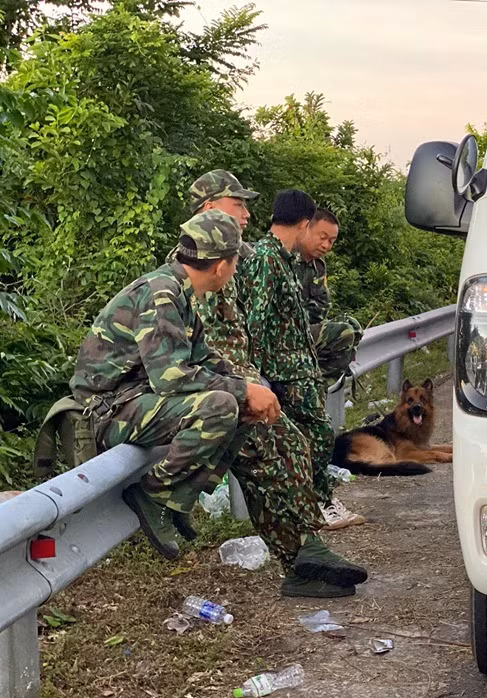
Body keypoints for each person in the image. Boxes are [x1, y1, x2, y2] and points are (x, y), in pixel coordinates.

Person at [172, 170, 367, 596]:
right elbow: (208, 345)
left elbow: (238, 332)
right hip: (214, 389)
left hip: (235, 381)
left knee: (289, 447)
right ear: (209, 209)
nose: (247, 213)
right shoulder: (196, 263)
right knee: (277, 450)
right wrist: (251, 385)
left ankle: (304, 555)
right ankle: (304, 556)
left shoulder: (237, 256)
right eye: (238, 204)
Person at [70, 209, 279, 560]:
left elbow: (203, 359)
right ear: (219, 266)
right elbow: (171, 377)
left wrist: (249, 385)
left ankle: (181, 499)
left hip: (138, 401)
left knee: (242, 400)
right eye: (235, 262)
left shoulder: (179, 293)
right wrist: (241, 391)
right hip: (107, 411)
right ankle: (152, 493)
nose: (235, 270)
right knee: (223, 404)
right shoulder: (161, 294)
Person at [237, 190, 363, 529]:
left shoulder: (282, 257)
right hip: (285, 371)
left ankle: (311, 508)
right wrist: (258, 378)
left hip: (296, 368)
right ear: (305, 223)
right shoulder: (267, 258)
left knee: (309, 438)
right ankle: (321, 505)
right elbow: (256, 322)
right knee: (320, 433)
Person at [294, 209, 364, 390]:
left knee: (352, 326)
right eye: (322, 237)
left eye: (331, 241)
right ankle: (309, 387)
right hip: (289, 332)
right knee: (343, 332)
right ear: (307, 228)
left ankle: (318, 385)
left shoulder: (318, 266)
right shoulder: (286, 258)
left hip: (308, 327)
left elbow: (322, 304)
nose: (326, 245)